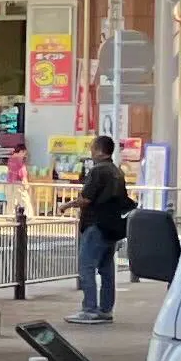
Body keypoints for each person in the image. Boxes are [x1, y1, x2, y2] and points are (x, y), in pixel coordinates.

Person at [75, 133, 134, 323]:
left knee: (87, 266)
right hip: (112, 225)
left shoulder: (98, 171)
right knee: (107, 269)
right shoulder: (117, 171)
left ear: (99, 150)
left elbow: (87, 198)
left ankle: (90, 309)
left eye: (92, 148)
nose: (91, 152)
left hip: (95, 223)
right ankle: (105, 309)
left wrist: (68, 205)